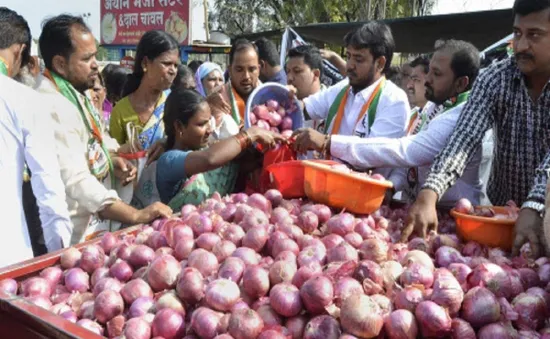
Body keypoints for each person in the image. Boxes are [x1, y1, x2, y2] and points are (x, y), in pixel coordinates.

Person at [403, 0, 550, 259]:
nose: (522, 45)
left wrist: (534, 203)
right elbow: (465, 137)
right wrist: (430, 191)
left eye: (534, 35)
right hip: (500, 216)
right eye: (517, 33)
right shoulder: (495, 78)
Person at [35, 15, 172, 244]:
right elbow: (76, 179)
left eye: (95, 56)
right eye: (87, 58)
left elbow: (93, 139)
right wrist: (135, 214)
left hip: (91, 224)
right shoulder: (50, 104)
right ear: (60, 63)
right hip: (70, 234)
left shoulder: (75, 93)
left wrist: (114, 154)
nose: (96, 64)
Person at [318, 40, 482, 206]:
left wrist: (329, 142)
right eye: (429, 72)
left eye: (437, 74)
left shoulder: (460, 118)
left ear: (460, 83)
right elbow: (409, 165)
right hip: (419, 208)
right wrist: (392, 186)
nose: (427, 80)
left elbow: (406, 151)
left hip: (453, 216)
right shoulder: (434, 106)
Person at [0, 7, 72, 266]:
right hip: (6, 257)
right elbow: (48, 187)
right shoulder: (25, 100)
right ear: (19, 51)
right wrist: (60, 255)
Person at [292, 22, 410, 176]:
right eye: (348, 57)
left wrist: (326, 142)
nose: (349, 66)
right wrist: (281, 103)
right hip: (326, 184)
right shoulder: (343, 88)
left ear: (380, 63)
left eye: (358, 59)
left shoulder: (394, 100)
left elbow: (371, 153)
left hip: (365, 194)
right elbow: (305, 109)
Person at [155, 88, 284, 211]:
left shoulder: (211, 147)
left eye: (208, 122)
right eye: (201, 124)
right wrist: (250, 134)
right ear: (179, 126)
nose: (210, 129)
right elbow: (209, 159)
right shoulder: (168, 161)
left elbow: (238, 166)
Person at [110, 30, 179, 149]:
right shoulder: (120, 111)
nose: (173, 70)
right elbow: (113, 155)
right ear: (145, 63)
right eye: (166, 64)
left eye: (176, 65)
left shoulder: (174, 104)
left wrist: (166, 142)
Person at [215, 39, 261, 125]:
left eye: (252, 69)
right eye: (239, 70)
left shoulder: (270, 97)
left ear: (259, 70)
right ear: (230, 71)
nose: (246, 77)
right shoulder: (218, 99)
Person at [286, 45, 326, 135]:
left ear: (315, 74)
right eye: (288, 71)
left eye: (297, 71)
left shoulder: (335, 104)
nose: (289, 78)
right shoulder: (285, 105)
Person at [405, 55, 437, 135]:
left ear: (430, 80)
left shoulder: (438, 117)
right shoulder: (413, 114)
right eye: (410, 80)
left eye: (416, 80)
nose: (409, 86)